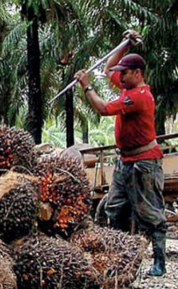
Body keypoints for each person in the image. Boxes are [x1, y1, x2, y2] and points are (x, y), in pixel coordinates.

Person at [74, 30, 167, 276]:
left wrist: (86, 86)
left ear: (137, 73)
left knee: (150, 214)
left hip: (144, 163)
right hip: (125, 162)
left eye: (124, 73)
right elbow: (109, 69)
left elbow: (104, 108)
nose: (120, 76)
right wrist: (124, 45)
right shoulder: (127, 86)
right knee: (114, 209)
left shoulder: (139, 96)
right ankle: (121, 257)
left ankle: (159, 262)